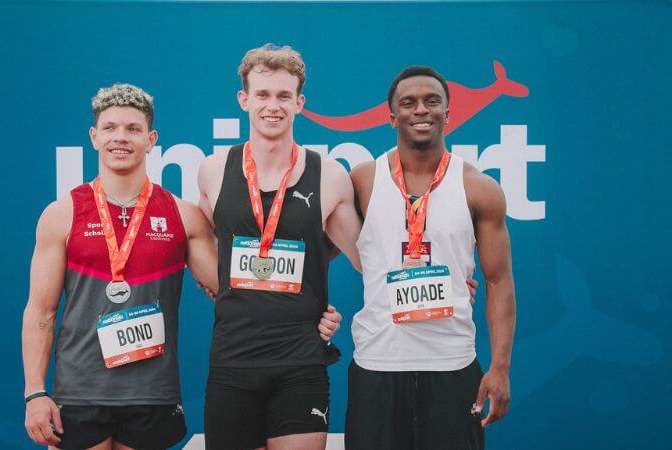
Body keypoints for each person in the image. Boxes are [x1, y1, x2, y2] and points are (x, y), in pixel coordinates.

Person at [22, 83, 219, 450]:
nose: (120, 138)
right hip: (80, 392)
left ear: (151, 139)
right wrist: (35, 393)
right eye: (110, 128)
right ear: (94, 137)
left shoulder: (183, 215)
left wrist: (307, 312)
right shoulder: (61, 214)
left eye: (133, 129)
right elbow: (41, 312)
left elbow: (231, 292)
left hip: (152, 393)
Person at [197, 44, 361, 450]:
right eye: (263, 95)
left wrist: (445, 277)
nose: (273, 106)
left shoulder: (330, 177)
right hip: (233, 359)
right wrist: (213, 281)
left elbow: (370, 259)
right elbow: (209, 249)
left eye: (284, 96)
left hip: (300, 361)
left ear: (300, 103)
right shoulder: (213, 171)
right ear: (244, 100)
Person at [345, 66, 516, 450]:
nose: (421, 110)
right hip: (377, 365)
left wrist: (500, 368)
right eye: (408, 103)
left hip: (453, 366)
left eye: (432, 101)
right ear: (392, 117)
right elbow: (317, 248)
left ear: (447, 113)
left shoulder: (479, 188)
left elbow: (499, 281)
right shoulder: (362, 180)